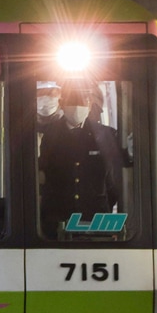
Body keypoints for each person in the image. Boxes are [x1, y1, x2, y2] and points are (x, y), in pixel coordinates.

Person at [37, 82, 126, 237]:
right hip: (58, 223)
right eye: (72, 101)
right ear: (62, 104)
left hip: (95, 222)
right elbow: (43, 176)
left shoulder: (105, 135)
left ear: (90, 104)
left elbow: (116, 181)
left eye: (82, 102)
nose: (77, 106)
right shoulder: (49, 135)